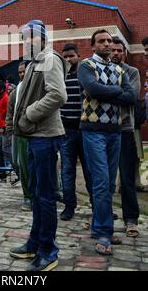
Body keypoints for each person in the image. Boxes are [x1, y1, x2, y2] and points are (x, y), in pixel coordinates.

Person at [9, 20, 67, 272]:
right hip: (34, 137)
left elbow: (58, 95)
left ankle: (48, 251)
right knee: (36, 193)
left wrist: (29, 114)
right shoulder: (35, 62)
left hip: (44, 136)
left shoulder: (49, 59)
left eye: (31, 37)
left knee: (45, 196)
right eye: (24, 38)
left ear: (42, 39)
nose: (26, 42)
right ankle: (34, 242)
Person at [77, 29, 135, 256]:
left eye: (109, 41)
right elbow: (92, 89)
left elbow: (130, 98)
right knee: (101, 182)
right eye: (101, 41)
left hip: (115, 131)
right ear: (93, 46)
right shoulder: (86, 66)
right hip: (93, 131)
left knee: (110, 183)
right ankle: (104, 232)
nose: (107, 44)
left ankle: (98, 227)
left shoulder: (119, 69)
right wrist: (117, 91)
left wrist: (107, 93)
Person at [110, 37, 141, 237]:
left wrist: (105, 93)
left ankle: (131, 219)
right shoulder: (99, 70)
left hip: (125, 129)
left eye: (119, 50)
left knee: (127, 178)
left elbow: (132, 96)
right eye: (112, 50)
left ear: (125, 53)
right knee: (103, 178)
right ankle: (102, 217)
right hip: (103, 129)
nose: (115, 53)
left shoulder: (132, 72)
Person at [59, 44, 93, 221]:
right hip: (67, 131)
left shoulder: (85, 75)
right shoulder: (59, 76)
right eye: (64, 57)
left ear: (78, 56)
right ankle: (69, 206)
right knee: (67, 170)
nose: (68, 59)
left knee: (90, 170)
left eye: (71, 56)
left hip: (86, 130)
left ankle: (98, 206)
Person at [6, 61, 33, 210]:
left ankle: (28, 196)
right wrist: (10, 130)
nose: (22, 74)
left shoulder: (35, 87)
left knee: (30, 165)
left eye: (24, 71)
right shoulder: (15, 91)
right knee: (17, 163)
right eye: (20, 72)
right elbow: (10, 112)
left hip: (33, 132)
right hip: (17, 132)